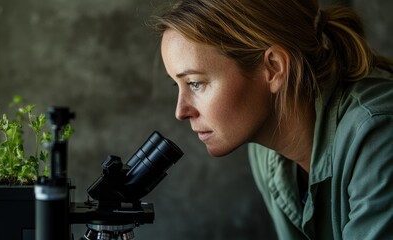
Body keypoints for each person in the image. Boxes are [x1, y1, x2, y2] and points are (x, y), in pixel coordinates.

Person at [151, 0, 393, 239]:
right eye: (178, 85)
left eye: (195, 83)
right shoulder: (266, 154)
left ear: (274, 67)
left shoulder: (378, 133)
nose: (180, 112)